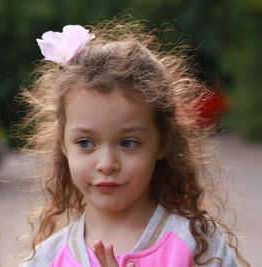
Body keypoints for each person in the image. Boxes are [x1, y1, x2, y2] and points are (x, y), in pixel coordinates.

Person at [19, 18, 249, 267]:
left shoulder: (197, 245)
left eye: (128, 143)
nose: (107, 164)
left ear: (163, 142)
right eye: (85, 143)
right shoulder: (47, 259)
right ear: (62, 143)